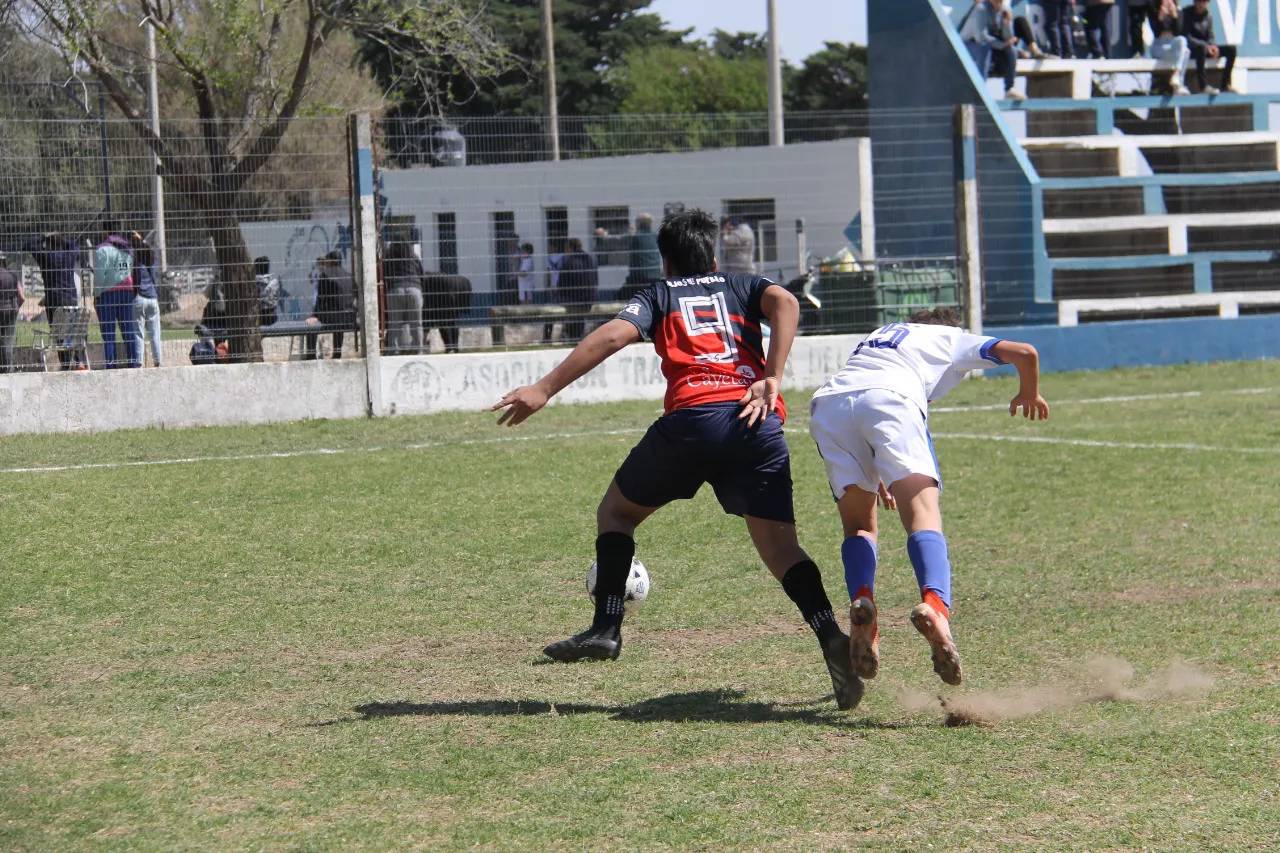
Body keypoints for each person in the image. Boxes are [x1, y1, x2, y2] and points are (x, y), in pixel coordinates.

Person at [492, 209, 863, 711]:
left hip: (694, 422)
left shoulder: (659, 294)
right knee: (782, 551)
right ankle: (829, 636)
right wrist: (771, 374)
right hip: (757, 422)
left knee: (616, 514)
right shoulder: (741, 285)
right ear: (712, 255)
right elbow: (788, 303)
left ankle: (606, 626)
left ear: (665, 261)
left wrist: (543, 387)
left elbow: (611, 336)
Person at [807, 309, 1048, 697]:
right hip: (892, 400)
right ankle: (935, 605)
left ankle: (863, 599)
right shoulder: (950, 339)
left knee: (859, 527)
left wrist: (881, 471)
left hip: (830, 404)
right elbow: (1026, 352)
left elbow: (861, 400)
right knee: (923, 517)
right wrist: (1029, 391)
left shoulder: (881, 333)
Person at [23, 232, 81, 369]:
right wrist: (61, 239)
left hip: (53, 300)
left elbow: (27, 245)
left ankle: (66, 365)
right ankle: (79, 361)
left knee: (59, 334)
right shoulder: (69, 255)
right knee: (72, 329)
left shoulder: (45, 256)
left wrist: (43, 236)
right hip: (71, 298)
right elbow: (75, 246)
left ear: (48, 245)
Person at [93, 220, 140, 369]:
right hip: (126, 292)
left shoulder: (102, 250)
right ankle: (133, 363)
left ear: (105, 232)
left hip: (108, 294)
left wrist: (97, 294)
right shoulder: (128, 248)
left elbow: (100, 276)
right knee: (128, 330)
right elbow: (133, 270)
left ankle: (111, 365)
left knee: (108, 334)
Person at [960, 1, 1022, 101]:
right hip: (969, 44)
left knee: (1012, 50)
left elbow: (1008, 37)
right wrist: (1002, 45)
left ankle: (1009, 88)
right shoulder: (981, 9)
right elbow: (980, 37)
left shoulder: (1004, 10)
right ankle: (980, 88)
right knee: (984, 48)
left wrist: (1006, 23)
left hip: (991, 44)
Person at [304, 251, 356, 360]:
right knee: (338, 323)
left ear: (331, 261)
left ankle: (310, 355)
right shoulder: (348, 275)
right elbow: (356, 294)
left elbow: (321, 298)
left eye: (326, 260)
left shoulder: (325, 275)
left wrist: (315, 315)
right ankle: (337, 353)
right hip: (348, 317)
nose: (325, 263)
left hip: (332, 316)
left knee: (310, 325)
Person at [1182, 0, 1236, 94]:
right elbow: (1187, 37)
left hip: (1206, 48)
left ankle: (1225, 84)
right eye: (1200, 1)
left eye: (1205, 2)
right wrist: (1206, 46)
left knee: (1231, 50)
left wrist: (1213, 47)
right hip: (1192, 50)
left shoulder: (1208, 16)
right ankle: (1203, 86)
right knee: (1201, 49)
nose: (1203, 4)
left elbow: (1210, 36)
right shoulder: (1186, 14)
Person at [384, 241, 424, 355]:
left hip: (396, 289)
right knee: (416, 323)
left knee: (394, 322)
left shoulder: (390, 257)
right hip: (414, 288)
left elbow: (385, 273)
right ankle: (418, 350)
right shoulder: (413, 256)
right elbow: (421, 274)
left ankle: (393, 351)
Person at [557, 237, 598, 343]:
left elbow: (562, 284)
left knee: (557, 304)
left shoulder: (568, 261)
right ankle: (576, 335)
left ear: (570, 248)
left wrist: (558, 294)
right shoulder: (591, 259)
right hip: (590, 298)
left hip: (574, 298)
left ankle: (565, 335)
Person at [130, 233, 163, 367]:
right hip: (152, 298)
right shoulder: (148, 257)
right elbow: (154, 279)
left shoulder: (132, 258)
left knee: (138, 333)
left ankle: (138, 362)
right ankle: (158, 361)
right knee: (155, 333)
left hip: (138, 298)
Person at [422, 271, 472, 354]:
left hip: (445, 287)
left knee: (443, 320)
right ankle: (455, 347)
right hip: (461, 283)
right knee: (454, 319)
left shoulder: (426, 284)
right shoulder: (429, 280)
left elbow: (426, 318)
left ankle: (449, 348)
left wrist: (424, 337)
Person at [1150, 0, 1192, 94]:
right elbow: (1156, 32)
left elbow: (1179, 31)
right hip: (1159, 45)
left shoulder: (1178, 10)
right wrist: (1160, 17)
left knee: (1183, 43)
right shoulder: (1154, 10)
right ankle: (1179, 84)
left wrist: (1174, 15)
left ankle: (1176, 76)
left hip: (1172, 45)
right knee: (1186, 52)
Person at [0, 252, 23, 373]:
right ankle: (7, 368)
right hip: (11, 310)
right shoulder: (13, 275)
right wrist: (16, 309)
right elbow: (22, 297)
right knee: (7, 340)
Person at [542, 238, 566, 345]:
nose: (550, 248)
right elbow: (548, 272)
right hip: (553, 287)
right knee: (551, 311)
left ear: (555, 247)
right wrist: (548, 285)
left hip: (560, 287)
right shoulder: (551, 257)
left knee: (560, 311)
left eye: (551, 246)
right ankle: (548, 336)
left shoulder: (563, 257)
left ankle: (562, 334)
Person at [253, 256, 281, 328]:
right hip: (272, 316)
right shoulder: (275, 282)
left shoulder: (253, 282)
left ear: (257, 268)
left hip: (258, 317)